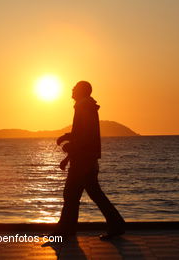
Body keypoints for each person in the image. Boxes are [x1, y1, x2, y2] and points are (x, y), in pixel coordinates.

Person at [54, 81, 125, 240]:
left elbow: (85, 135)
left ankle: (66, 231)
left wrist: (70, 148)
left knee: (72, 195)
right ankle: (116, 224)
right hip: (86, 159)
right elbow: (83, 133)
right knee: (87, 194)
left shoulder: (83, 106)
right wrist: (68, 139)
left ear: (81, 91)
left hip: (82, 161)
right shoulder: (86, 106)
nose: (71, 90)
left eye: (75, 88)